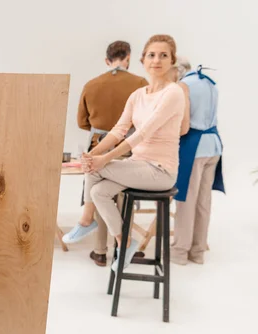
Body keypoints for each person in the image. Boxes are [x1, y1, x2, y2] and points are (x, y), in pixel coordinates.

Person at [63, 34, 185, 271]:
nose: (156, 60)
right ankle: (125, 242)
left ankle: (86, 220)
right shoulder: (138, 94)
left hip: (160, 171)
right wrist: (92, 154)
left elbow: (142, 133)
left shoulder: (174, 92)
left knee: (97, 170)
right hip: (138, 165)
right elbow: (119, 130)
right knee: (98, 191)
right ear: (141, 60)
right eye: (151, 55)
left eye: (163, 55)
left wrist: (102, 159)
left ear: (172, 60)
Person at [76, 41, 148, 266]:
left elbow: (82, 122)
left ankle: (99, 251)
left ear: (107, 60)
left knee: (99, 196)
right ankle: (123, 248)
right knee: (125, 198)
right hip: (129, 146)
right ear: (127, 58)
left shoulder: (91, 84)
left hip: (98, 146)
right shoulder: (140, 84)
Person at [171, 60, 224, 265]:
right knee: (203, 202)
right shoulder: (210, 83)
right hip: (214, 145)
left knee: (185, 200)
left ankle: (179, 253)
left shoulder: (184, 86)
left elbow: (182, 123)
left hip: (194, 147)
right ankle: (198, 251)